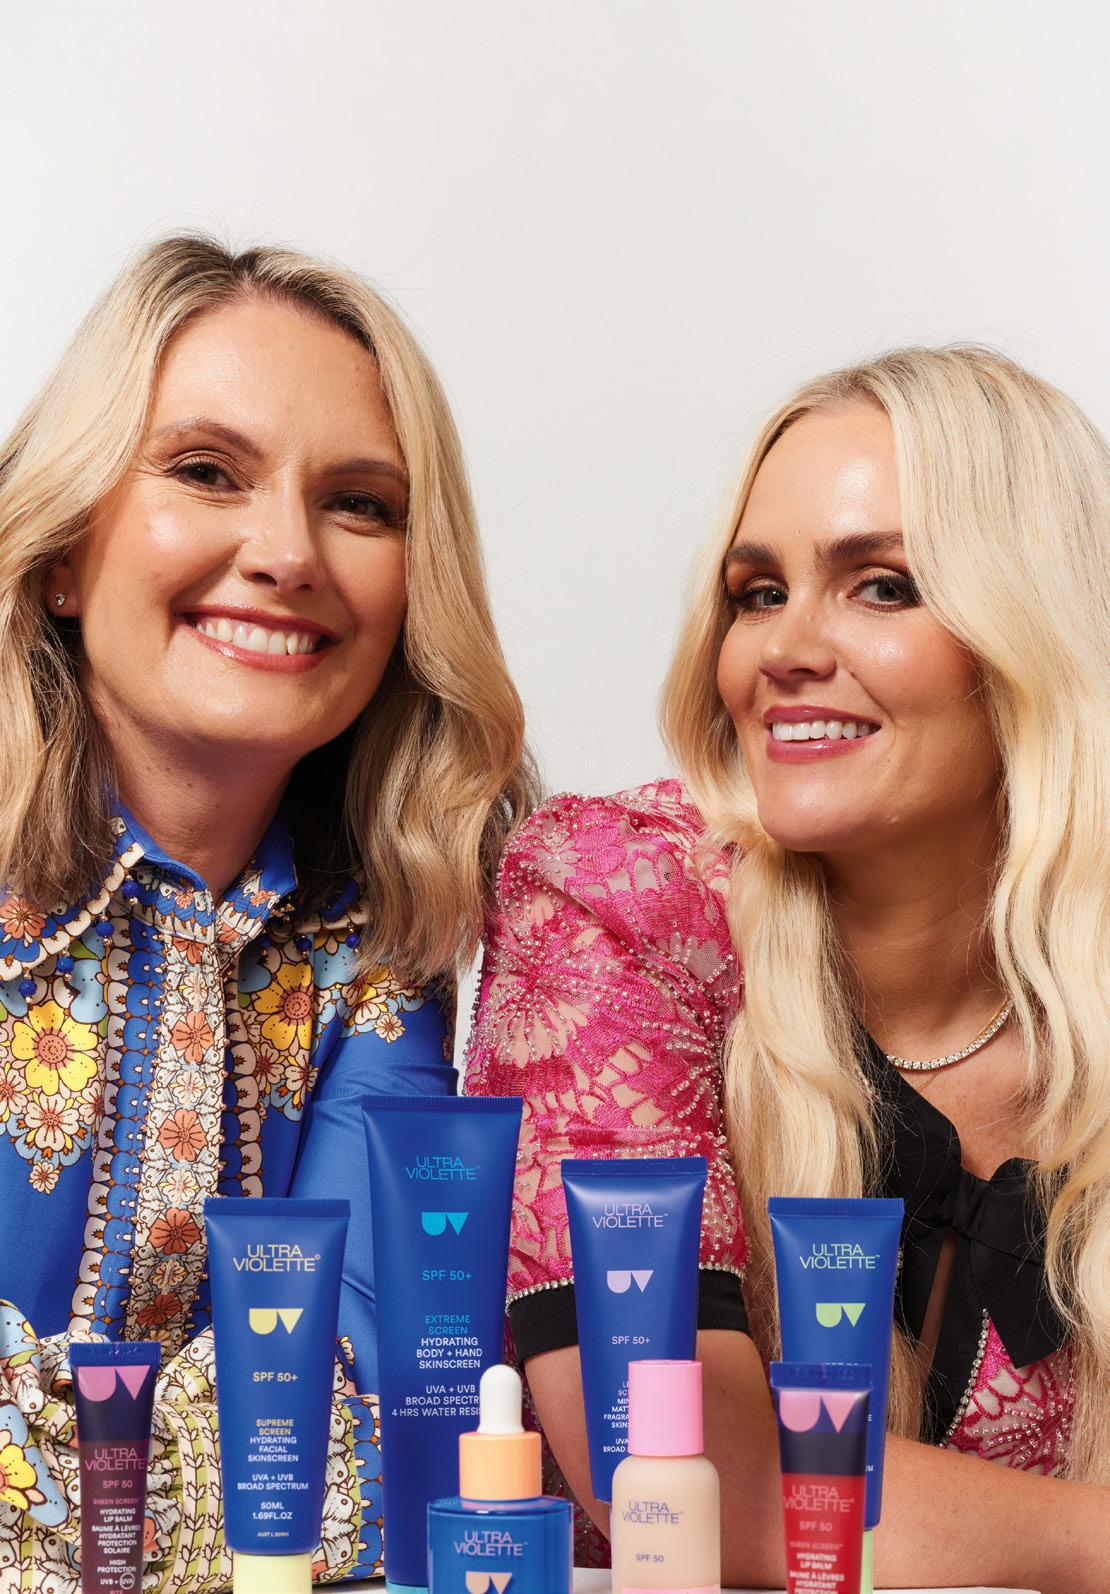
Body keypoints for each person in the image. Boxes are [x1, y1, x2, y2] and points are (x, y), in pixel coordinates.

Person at [466, 346, 1110, 1594]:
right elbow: (676, 1472)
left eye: (882, 585)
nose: (785, 648)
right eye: (757, 594)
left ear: (1035, 631)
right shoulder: (619, 895)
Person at [0, 235, 537, 1590]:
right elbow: (288, 1479)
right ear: (62, 553)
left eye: (358, 503)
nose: (288, 552)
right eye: (205, 471)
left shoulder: (386, 940)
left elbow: (386, 1423)